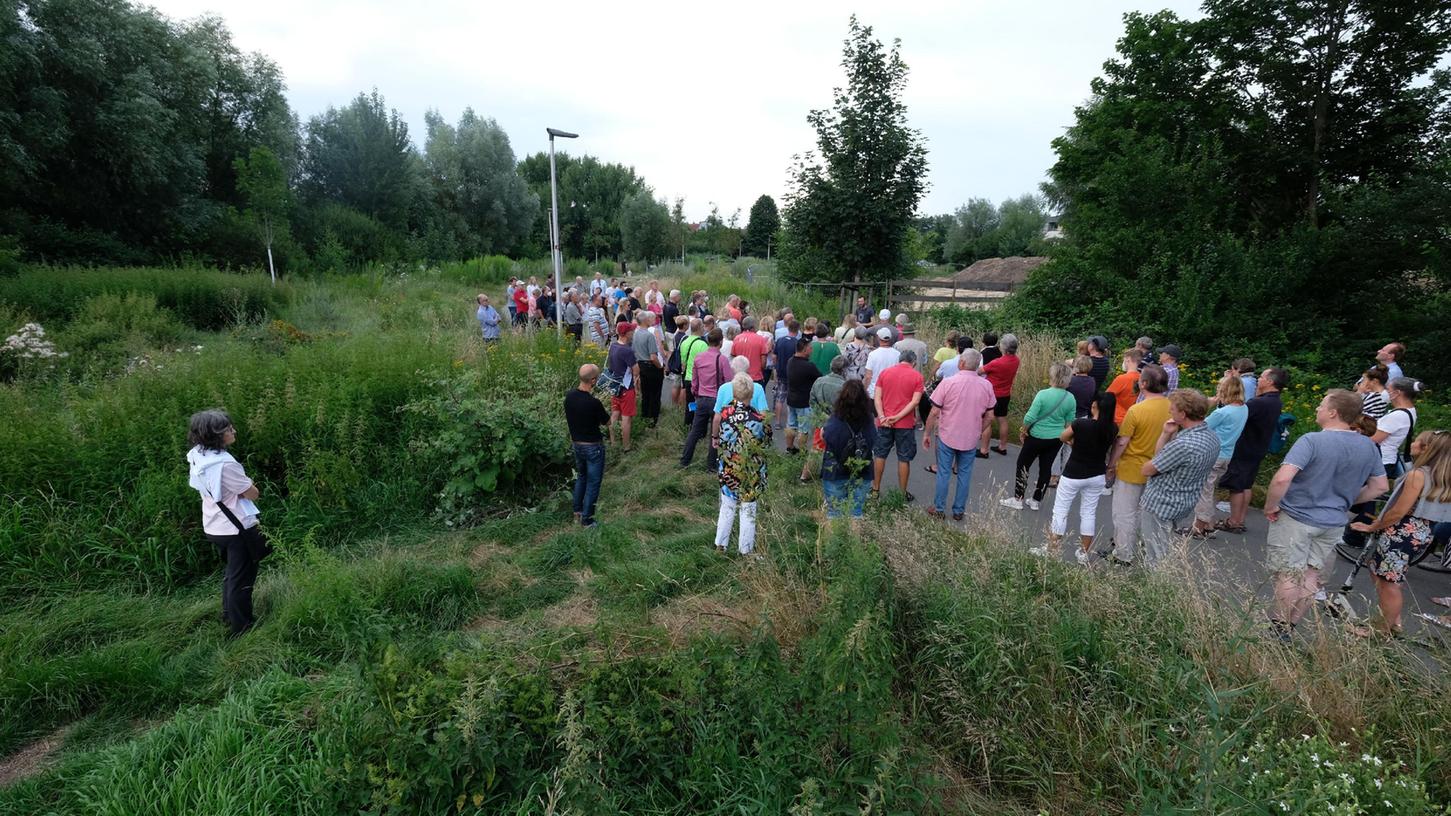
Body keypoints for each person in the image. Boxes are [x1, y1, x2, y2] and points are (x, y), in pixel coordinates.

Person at [1262, 389, 1387, 642]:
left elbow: (1282, 478)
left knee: (1288, 574)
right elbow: (1380, 487)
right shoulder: (1368, 446)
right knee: (1311, 576)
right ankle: (1289, 628)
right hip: (1333, 521)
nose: (1317, 409)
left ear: (1333, 412)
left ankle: (1276, 629)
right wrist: (1346, 500)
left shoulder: (1312, 441)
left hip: (1297, 517)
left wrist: (1271, 505)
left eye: (1321, 405)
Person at [1348, 431, 1451, 636]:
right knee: (1381, 572)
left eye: (1417, 440)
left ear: (1426, 448)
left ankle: (1382, 630)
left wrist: (1373, 526)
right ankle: (1391, 621)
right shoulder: (1441, 477)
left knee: (1389, 583)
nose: (1411, 443)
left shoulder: (1418, 474)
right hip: (1422, 531)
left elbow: (1398, 511)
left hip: (1402, 531)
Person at [187, 409, 267, 636]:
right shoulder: (225, 465)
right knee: (242, 579)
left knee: (232, 574)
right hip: (235, 528)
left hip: (214, 524)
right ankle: (242, 628)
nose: (234, 431)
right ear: (215, 435)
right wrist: (247, 485)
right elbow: (253, 493)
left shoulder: (197, 455)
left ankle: (228, 615)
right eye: (228, 429)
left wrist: (238, 490)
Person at [1137, 390, 1220, 566]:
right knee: (1162, 545)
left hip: (1160, 504)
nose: (1170, 412)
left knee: (1156, 554)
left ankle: (1155, 587)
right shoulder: (1211, 437)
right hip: (1183, 500)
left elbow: (1147, 469)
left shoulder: (1183, 445)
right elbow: (1161, 459)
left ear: (1183, 414)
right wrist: (1166, 434)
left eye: (1173, 409)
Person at [1343, 377, 1424, 548]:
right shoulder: (1410, 411)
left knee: (1362, 496)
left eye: (1388, 389)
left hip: (1379, 458)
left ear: (1397, 393)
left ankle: (1353, 534)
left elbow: (1373, 440)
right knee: (1368, 496)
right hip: (1389, 458)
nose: (1386, 393)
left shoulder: (1396, 416)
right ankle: (1353, 534)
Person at [1106, 364, 1172, 564]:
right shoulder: (1172, 408)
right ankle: (1146, 550)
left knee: (1125, 514)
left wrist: (1111, 465)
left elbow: (1123, 441)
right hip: (1158, 468)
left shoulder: (1136, 410)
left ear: (1143, 384)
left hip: (1131, 468)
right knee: (1147, 514)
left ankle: (1123, 554)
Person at [923, 348, 994, 521]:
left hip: (948, 434)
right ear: (977, 365)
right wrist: (979, 430)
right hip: (970, 438)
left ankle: (939, 508)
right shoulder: (986, 385)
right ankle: (958, 510)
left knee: (944, 473)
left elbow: (934, 412)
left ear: (961, 363)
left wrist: (927, 433)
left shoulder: (948, 383)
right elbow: (990, 415)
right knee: (964, 474)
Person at [1046, 392, 1118, 564]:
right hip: (1097, 474)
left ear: (1094, 406)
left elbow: (1063, 436)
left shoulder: (1081, 424)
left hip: (1073, 473)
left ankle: (1052, 548)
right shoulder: (1113, 428)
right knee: (1088, 512)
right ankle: (1084, 552)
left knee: (1061, 510)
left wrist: (1072, 442)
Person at [1217, 368, 1288, 534]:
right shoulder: (1275, 401)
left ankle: (1234, 521)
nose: (1258, 380)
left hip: (1245, 447)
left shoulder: (1258, 403)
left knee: (1236, 486)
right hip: (1258, 447)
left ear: (1270, 381)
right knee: (1246, 484)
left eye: (1262, 377)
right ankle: (1240, 520)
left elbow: (1237, 413)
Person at [1001, 362, 1076, 511]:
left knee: (1023, 464)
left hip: (1036, 436)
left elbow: (1030, 417)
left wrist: (1024, 430)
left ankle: (1018, 498)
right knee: (1046, 467)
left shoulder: (1043, 394)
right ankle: (1036, 500)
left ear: (1052, 376)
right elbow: (1069, 423)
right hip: (1056, 438)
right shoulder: (1070, 398)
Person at [712, 375, 771, 555]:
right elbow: (766, 443)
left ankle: (720, 545)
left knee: (727, 505)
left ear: (733, 393)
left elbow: (720, 438)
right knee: (748, 508)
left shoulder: (724, 414)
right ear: (751, 394)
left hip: (730, 468)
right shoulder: (759, 419)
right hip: (751, 470)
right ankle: (745, 550)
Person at [1190, 375, 1248, 536]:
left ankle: (1198, 527)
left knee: (1203, 491)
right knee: (1210, 489)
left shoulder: (1223, 413)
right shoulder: (1243, 408)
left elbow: (1198, 427)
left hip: (1213, 454)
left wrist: (1207, 406)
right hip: (1227, 454)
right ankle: (1208, 524)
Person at [871, 349, 924, 500]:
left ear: (899, 360)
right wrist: (899, 416)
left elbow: (877, 397)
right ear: (913, 363)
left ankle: (875, 490)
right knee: (904, 458)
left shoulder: (885, 373)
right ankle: (901, 493)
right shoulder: (917, 377)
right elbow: (915, 401)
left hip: (884, 422)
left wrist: (882, 416)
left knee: (880, 455)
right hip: (905, 424)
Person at [822, 379, 878, 519]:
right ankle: (853, 539)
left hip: (835, 471)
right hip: (861, 471)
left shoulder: (836, 419)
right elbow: (873, 440)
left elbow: (826, 436)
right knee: (856, 513)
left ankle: (834, 540)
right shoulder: (869, 420)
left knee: (834, 513)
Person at [564, 365, 611, 527]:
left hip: (577, 445)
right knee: (593, 483)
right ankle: (588, 520)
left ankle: (577, 511)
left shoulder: (569, 397)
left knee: (581, 478)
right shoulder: (594, 403)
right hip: (593, 447)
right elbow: (607, 421)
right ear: (592, 381)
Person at [681, 328, 731, 469]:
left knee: (695, 431)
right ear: (721, 342)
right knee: (715, 433)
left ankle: (685, 460)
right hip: (717, 401)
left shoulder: (699, 358)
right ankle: (711, 464)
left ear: (708, 341)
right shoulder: (722, 360)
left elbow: (694, 382)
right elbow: (728, 382)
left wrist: (696, 394)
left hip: (701, 399)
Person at [803, 355, 849, 482]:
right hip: (839, 423)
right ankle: (833, 476)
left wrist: (821, 417)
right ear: (845, 370)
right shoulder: (845, 386)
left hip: (821, 421)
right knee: (838, 450)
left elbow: (812, 402)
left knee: (817, 448)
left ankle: (806, 475)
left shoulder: (819, 381)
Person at [978, 333, 1021, 458]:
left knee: (987, 419)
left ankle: (984, 450)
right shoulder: (1016, 360)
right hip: (1005, 393)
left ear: (1004, 347)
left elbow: (979, 371)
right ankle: (1003, 446)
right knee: (1002, 419)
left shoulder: (997, 362)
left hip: (992, 394)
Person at [785, 335, 823, 453]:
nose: (811, 350)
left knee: (791, 425)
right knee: (804, 429)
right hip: (804, 402)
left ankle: (790, 448)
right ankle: (802, 451)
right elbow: (820, 377)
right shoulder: (808, 366)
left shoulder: (790, 361)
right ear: (805, 350)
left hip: (791, 399)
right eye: (810, 348)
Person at [606, 323, 640, 452]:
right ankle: (626, 446)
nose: (633, 333)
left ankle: (614, 443)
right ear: (626, 333)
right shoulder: (627, 350)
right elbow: (636, 370)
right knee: (626, 418)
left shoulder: (613, 346)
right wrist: (637, 385)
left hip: (614, 385)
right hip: (626, 387)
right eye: (631, 331)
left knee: (615, 414)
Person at [632, 312, 665, 428]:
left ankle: (644, 416)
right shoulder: (649, 335)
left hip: (640, 365)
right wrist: (660, 366)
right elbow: (653, 357)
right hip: (651, 366)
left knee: (645, 394)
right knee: (655, 395)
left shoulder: (635, 333)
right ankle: (653, 420)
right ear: (645, 320)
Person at [772, 320, 802, 428]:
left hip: (781, 372)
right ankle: (791, 422)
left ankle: (777, 422)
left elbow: (774, 356)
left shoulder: (780, 340)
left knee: (780, 397)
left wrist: (776, 367)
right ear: (797, 330)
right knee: (792, 397)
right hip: (793, 373)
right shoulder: (797, 343)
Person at [678, 318, 707, 428]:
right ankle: (697, 427)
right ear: (700, 328)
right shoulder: (702, 344)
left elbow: (683, 361)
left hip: (687, 377)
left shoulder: (684, 342)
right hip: (698, 379)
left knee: (689, 403)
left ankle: (687, 424)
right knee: (700, 404)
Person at [862, 327, 900, 403]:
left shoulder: (873, 355)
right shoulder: (898, 354)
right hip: (891, 393)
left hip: (874, 392)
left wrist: (864, 390)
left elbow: (868, 376)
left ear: (878, 338)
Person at [1106, 348, 1144, 424]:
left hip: (1118, 418)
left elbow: (1106, 397)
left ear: (1128, 360)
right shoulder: (1142, 377)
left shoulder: (1122, 378)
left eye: (1124, 360)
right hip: (1133, 417)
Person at [732, 316, 770, 385]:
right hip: (756, 378)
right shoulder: (760, 339)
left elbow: (733, 357)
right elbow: (763, 362)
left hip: (740, 378)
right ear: (753, 326)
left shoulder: (736, 339)